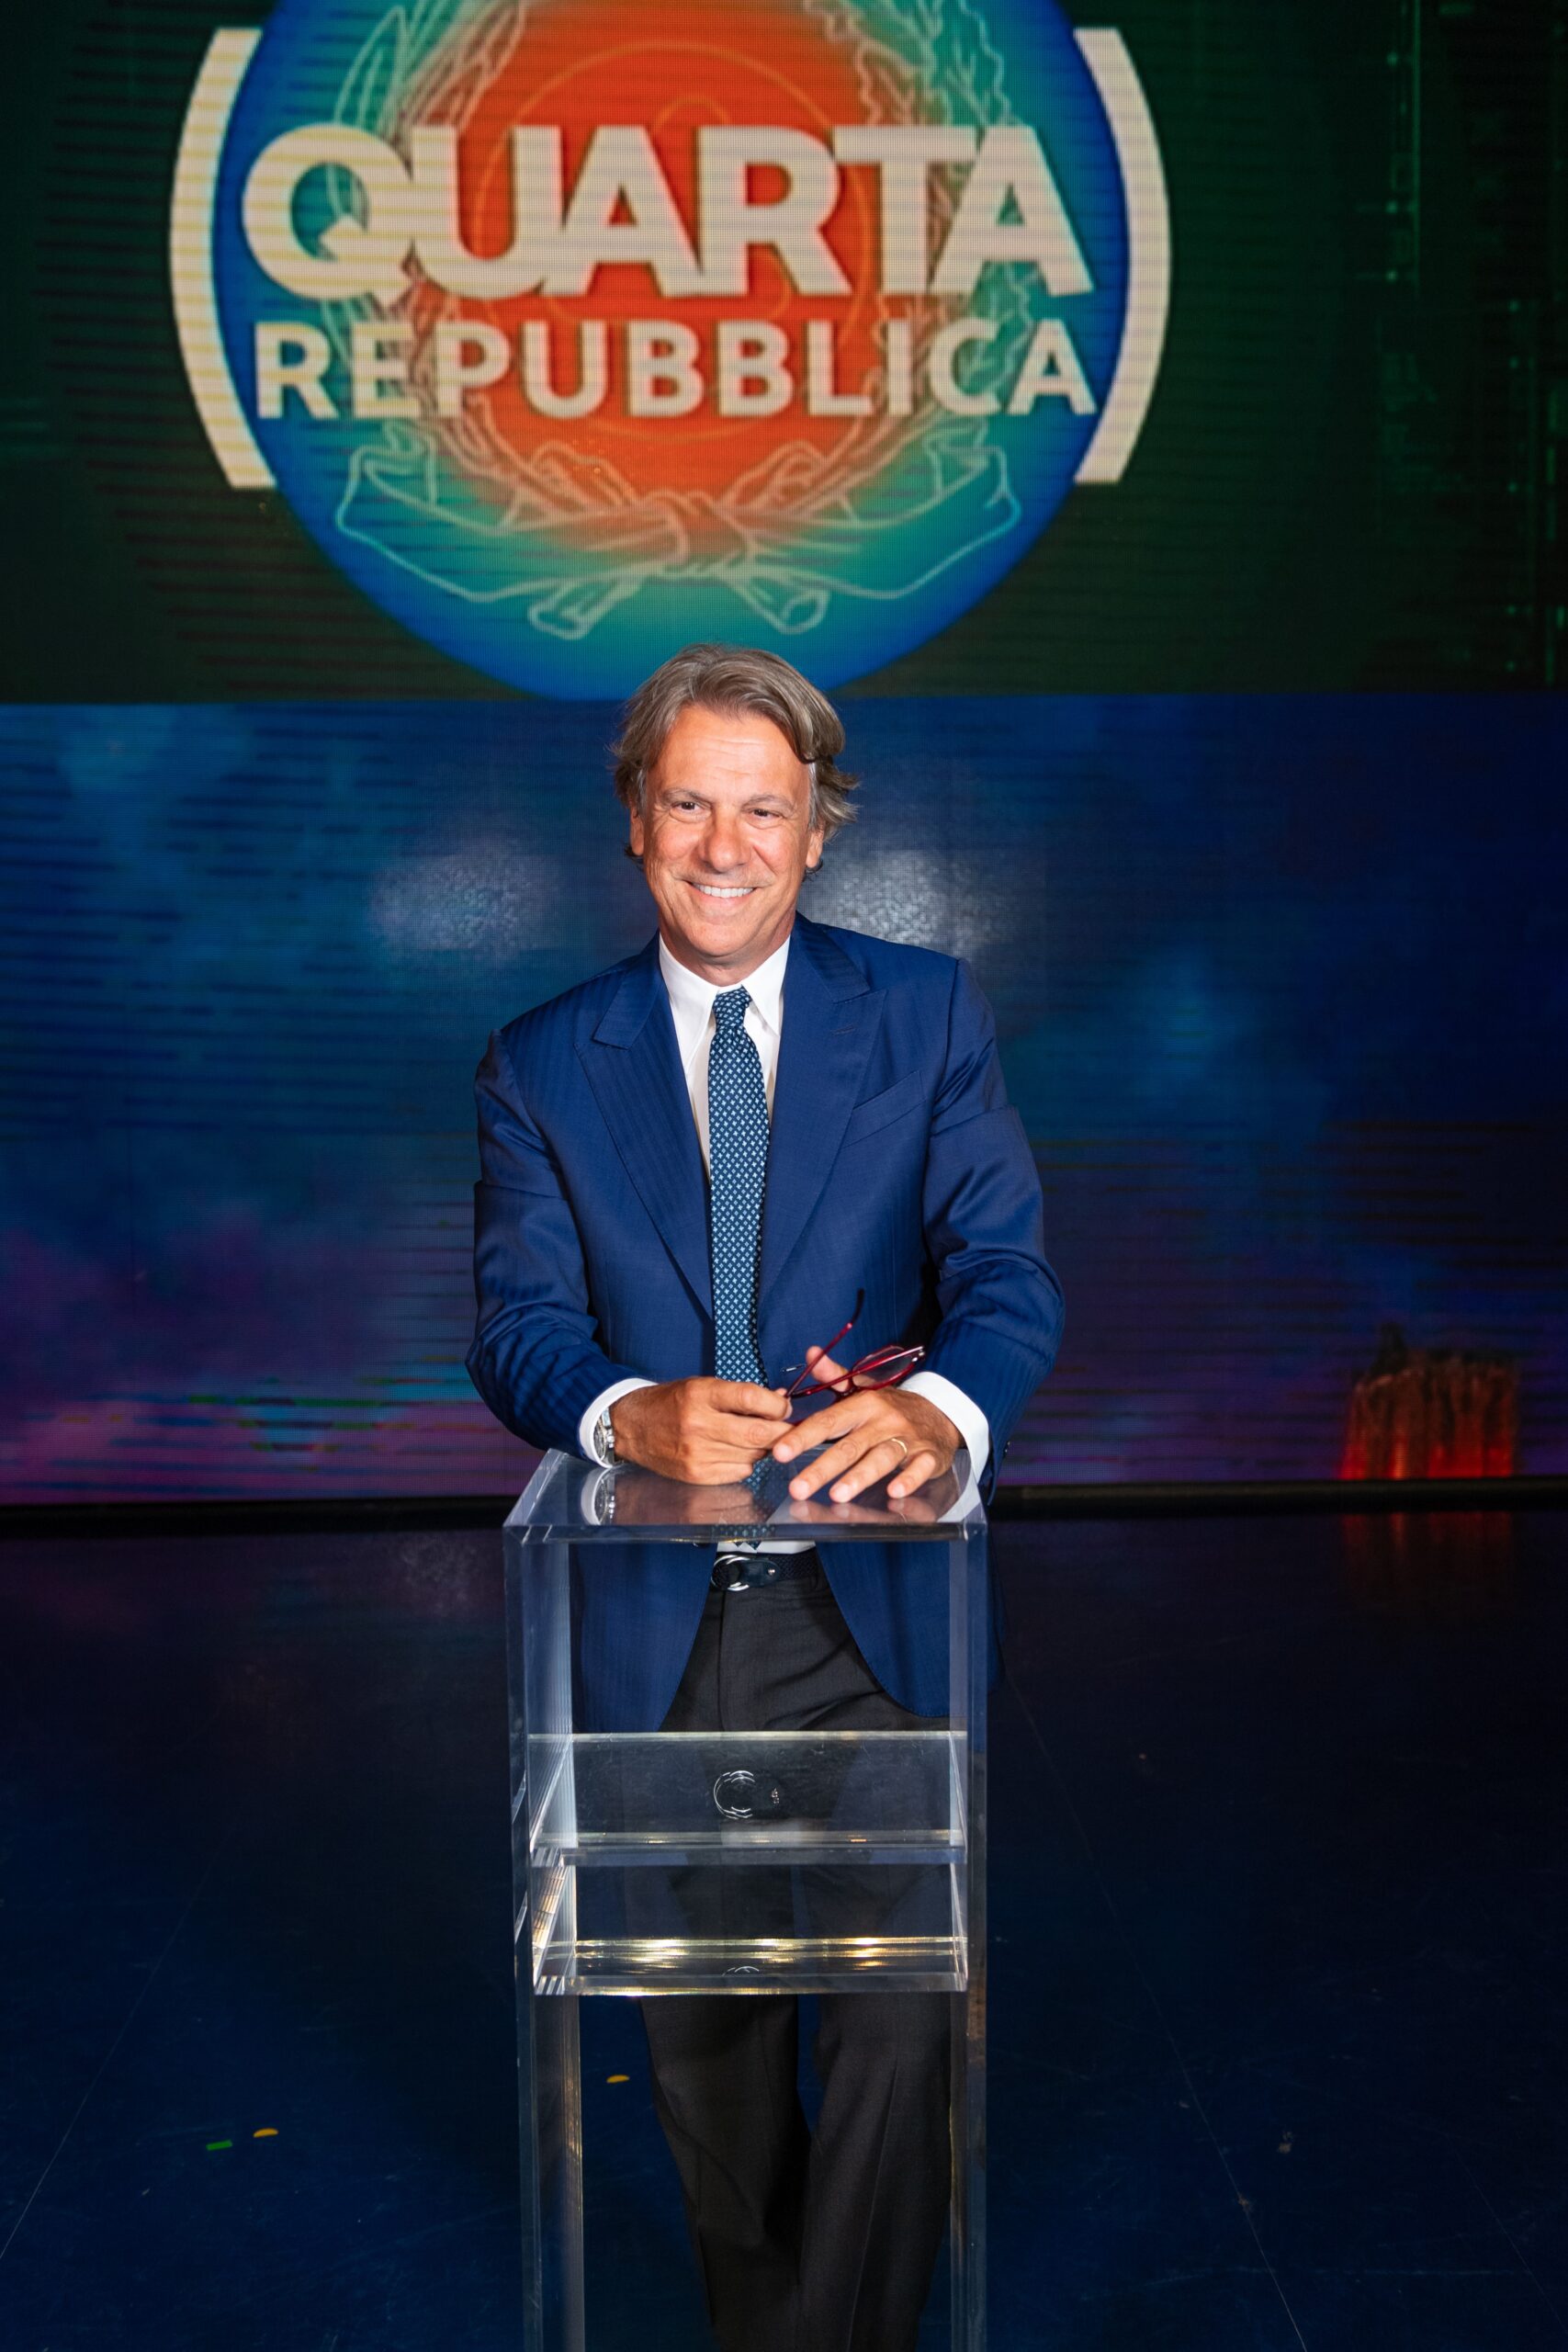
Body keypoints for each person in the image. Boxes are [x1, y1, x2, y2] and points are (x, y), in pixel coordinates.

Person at [468, 644, 1062, 2352]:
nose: (724, 847)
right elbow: (515, 1330)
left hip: (875, 1603)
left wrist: (942, 1409)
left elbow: (1008, 1278)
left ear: (818, 832)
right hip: (652, 1620)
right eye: (688, 805)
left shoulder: (926, 1014)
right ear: (634, 822)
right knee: (708, 2045)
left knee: (898, 2018)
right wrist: (622, 1412)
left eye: (764, 810)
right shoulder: (540, 1063)